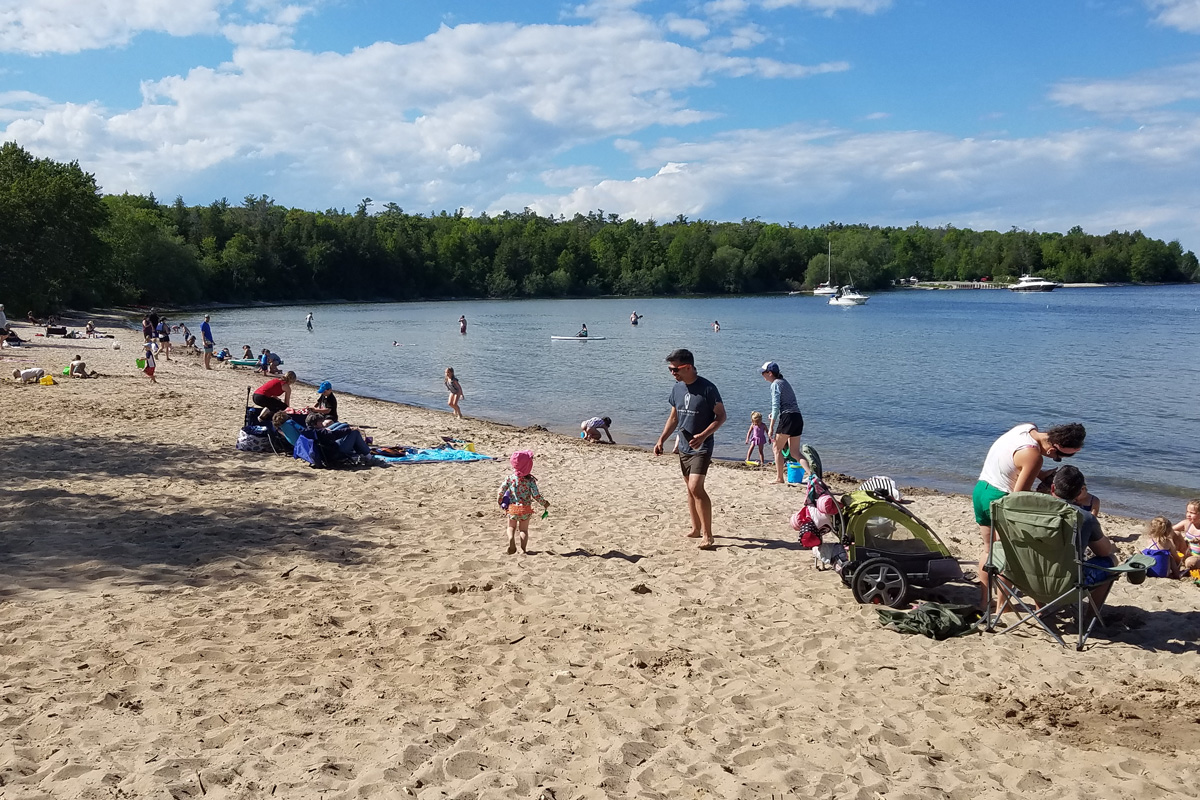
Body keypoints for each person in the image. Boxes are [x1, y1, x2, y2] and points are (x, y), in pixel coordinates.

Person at [973, 422, 1086, 605]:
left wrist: (1039, 474)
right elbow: (1018, 498)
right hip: (999, 498)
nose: (1057, 461)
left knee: (989, 550)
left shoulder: (1025, 428)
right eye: (1059, 458)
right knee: (1010, 553)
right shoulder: (1034, 456)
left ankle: (984, 601)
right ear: (1052, 451)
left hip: (981, 490)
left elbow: (1015, 460)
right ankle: (1004, 605)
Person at [653, 348, 726, 549]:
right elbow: (674, 418)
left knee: (696, 487)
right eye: (670, 369)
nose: (672, 373)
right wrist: (661, 440)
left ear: (687, 367)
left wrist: (703, 435)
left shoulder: (708, 388)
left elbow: (721, 416)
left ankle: (708, 535)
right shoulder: (677, 388)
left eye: (674, 369)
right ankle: (696, 529)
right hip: (684, 446)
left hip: (702, 446)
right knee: (690, 489)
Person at [1050, 465, 1118, 610]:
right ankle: (1090, 617)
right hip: (1067, 585)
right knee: (1111, 560)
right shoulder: (1085, 518)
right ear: (1079, 492)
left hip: (1028, 581)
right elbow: (1104, 552)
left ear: (1052, 488)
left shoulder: (1029, 511)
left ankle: (1039, 609)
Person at [760, 361, 809, 484]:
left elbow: (775, 406)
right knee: (795, 452)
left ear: (770, 373)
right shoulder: (784, 382)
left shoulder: (775, 384)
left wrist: (771, 427)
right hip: (797, 417)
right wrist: (776, 414)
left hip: (787, 418)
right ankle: (813, 476)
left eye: (763, 372)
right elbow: (788, 403)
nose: (762, 375)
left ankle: (779, 478)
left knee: (776, 448)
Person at [497, 450, 550, 555]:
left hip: (512, 508)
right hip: (525, 509)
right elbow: (536, 495)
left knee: (511, 527)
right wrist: (544, 503)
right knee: (523, 530)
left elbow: (501, 491)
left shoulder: (510, 478)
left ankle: (511, 538)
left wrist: (499, 501)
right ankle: (523, 549)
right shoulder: (530, 481)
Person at [1173, 499, 1200, 574]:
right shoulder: (1187, 523)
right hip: (1185, 552)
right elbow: (1169, 530)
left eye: (1192, 513)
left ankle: (1187, 565)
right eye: (1187, 511)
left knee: (1190, 562)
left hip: (1197, 557)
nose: (1188, 514)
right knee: (1176, 533)